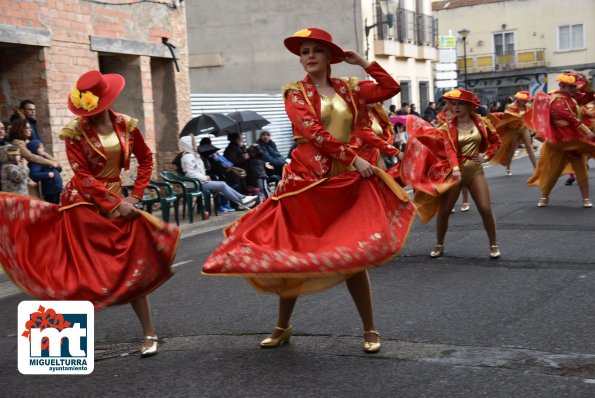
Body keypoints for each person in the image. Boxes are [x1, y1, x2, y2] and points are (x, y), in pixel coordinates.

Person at [202, 27, 416, 353]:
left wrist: (363, 63)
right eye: (304, 52)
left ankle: (370, 329)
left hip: (347, 183)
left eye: (316, 50)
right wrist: (352, 157)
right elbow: (313, 132)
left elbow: (390, 89)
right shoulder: (295, 93)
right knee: (295, 257)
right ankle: (282, 327)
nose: (310, 57)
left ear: (330, 56)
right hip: (307, 182)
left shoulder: (350, 88)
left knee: (353, 256)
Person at [0, 70, 180, 357]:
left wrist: (134, 196)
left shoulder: (126, 125)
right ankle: (57, 345)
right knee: (75, 273)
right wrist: (115, 202)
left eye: (97, 108)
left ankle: (149, 333)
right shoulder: (75, 130)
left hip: (119, 200)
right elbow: (82, 176)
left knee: (129, 264)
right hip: (81, 204)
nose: (92, 114)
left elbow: (146, 160)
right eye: (90, 110)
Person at [403, 89, 501, 258]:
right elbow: (449, 150)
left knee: (485, 208)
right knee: (445, 211)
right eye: (453, 104)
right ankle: (439, 243)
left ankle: (493, 244)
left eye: (460, 103)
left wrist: (486, 156)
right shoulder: (447, 126)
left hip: (476, 171)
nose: (456, 107)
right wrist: (456, 170)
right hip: (453, 173)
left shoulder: (481, 123)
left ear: (469, 105)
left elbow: (496, 142)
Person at [528, 71, 594, 208]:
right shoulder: (556, 100)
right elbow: (570, 117)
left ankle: (586, 198)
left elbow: (589, 96)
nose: (575, 89)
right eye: (572, 87)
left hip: (575, 139)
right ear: (563, 86)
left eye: (575, 87)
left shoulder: (574, 97)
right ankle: (545, 195)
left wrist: (584, 83)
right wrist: (588, 132)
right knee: (554, 170)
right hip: (560, 140)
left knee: (581, 168)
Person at [179, 135, 258, 209]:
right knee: (222, 185)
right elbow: (190, 173)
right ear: (188, 144)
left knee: (222, 184)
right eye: (193, 143)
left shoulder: (193, 155)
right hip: (194, 184)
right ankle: (242, 200)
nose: (195, 144)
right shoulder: (188, 156)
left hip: (199, 182)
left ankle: (242, 199)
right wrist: (205, 177)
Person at [489, 90, 537, 175]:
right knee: (512, 149)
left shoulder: (529, 107)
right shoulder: (511, 106)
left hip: (524, 129)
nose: (525, 101)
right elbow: (507, 118)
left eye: (526, 100)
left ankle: (536, 168)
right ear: (519, 99)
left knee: (529, 147)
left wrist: (532, 128)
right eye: (524, 100)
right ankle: (508, 167)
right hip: (513, 130)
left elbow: (531, 117)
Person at [25, 140, 63, 204]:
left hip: (58, 187)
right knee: (52, 208)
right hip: (50, 191)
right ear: (34, 149)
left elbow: (59, 170)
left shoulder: (45, 158)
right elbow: (34, 175)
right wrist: (47, 174)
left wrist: (58, 166)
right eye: (40, 147)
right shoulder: (36, 163)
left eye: (43, 147)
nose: (43, 148)